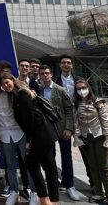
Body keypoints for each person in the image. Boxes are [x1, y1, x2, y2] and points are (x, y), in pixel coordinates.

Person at [1, 73, 59, 205]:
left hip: (40, 135)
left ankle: (44, 198)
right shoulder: (17, 95)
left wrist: (30, 140)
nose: (6, 85)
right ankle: (53, 200)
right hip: (45, 134)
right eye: (3, 84)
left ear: (13, 81)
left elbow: (30, 119)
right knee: (49, 167)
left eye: (7, 82)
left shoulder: (22, 94)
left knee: (33, 165)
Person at [0, 73, 38, 205]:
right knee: (10, 165)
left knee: (28, 162)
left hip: (19, 132)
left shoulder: (9, 95)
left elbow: (23, 98)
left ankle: (34, 192)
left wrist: (29, 91)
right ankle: (14, 191)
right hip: (3, 134)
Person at [73, 79, 108, 205]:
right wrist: (77, 137)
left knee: (104, 167)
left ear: (88, 88)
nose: (81, 90)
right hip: (86, 138)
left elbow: (104, 119)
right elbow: (76, 122)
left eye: (83, 87)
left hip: (99, 136)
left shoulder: (97, 102)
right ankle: (98, 193)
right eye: (78, 89)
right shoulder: (75, 103)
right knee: (93, 167)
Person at [39, 65, 77, 201]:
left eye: (47, 73)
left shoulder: (60, 90)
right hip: (47, 129)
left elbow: (69, 110)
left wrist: (69, 128)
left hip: (62, 128)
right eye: (42, 73)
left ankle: (70, 185)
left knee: (66, 157)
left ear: (51, 75)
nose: (44, 75)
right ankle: (53, 184)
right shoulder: (39, 90)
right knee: (50, 158)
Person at [55, 54, 90, 196]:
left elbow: (87, 98)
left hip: (79, 120)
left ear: (72, 65)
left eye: (68, 62)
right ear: (59, 65)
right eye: (63, 62)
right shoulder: (54, 80)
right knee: (65, 154)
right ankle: (67, 182)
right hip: (60, 121)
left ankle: (93, 181)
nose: (66, 64)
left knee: (86, 151)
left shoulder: (79, 81)